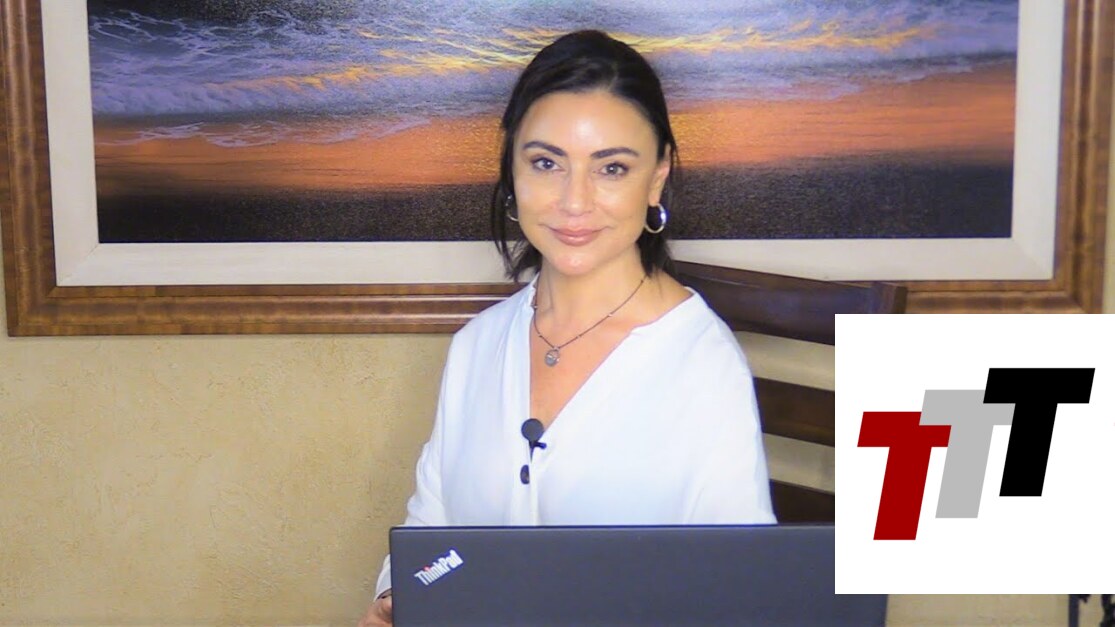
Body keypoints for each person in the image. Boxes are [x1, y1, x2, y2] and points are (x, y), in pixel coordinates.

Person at [358, 29, 774, 627]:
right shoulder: (478, 344)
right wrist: (397, 598)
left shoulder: (703, 364)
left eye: (612, 167)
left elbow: (742, 591)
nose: (574, 202)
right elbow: (433, 528)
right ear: (512, 169)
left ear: (657, 176)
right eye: (547, 163)